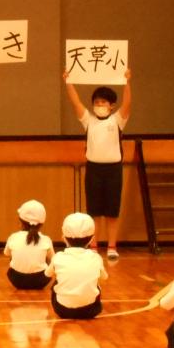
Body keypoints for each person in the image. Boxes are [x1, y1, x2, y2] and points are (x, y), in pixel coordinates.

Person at [63, 68, 132, 260]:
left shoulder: (117, 120)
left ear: (111, 105)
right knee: (94, 210)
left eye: (103, 102)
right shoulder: (89, 121)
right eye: (96, 102)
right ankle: (93, 246)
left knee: (112, 211)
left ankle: (112, 246)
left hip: (113, 170)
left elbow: (127, 103)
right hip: (93, 169)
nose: (99, 105)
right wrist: (68, 81)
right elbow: (75, 102)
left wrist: (127, 82)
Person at [45, 213, 108, 319]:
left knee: (56, 282)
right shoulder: (96, 257)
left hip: (62, 310)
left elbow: (47, 274)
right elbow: (104, 277)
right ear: (92, 239)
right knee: (95, 283)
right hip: (90, 311)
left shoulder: (58, 257)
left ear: (64, 238)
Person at [3, 200, 55, 290]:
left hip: (16, 280)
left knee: (13, 254)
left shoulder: (13, 237)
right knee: (46, 256)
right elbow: (53, 259)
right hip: (41, 281)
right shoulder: (46, 239)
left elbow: (6, 253)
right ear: (42, 223)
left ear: (20, 221)